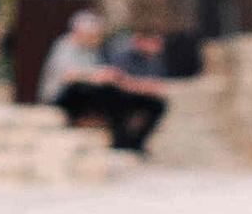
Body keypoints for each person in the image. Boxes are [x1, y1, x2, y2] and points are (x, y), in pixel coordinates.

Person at [36, 8, 164, 157]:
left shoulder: (93, 51)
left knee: (143, 102)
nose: (95, 37)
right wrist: (96, 75)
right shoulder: (65, 45)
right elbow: (68, 75)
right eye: (92, 34)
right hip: (61, 96)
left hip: (89, 93)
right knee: (95, 91)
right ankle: (120, 141)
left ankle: (129, 144)